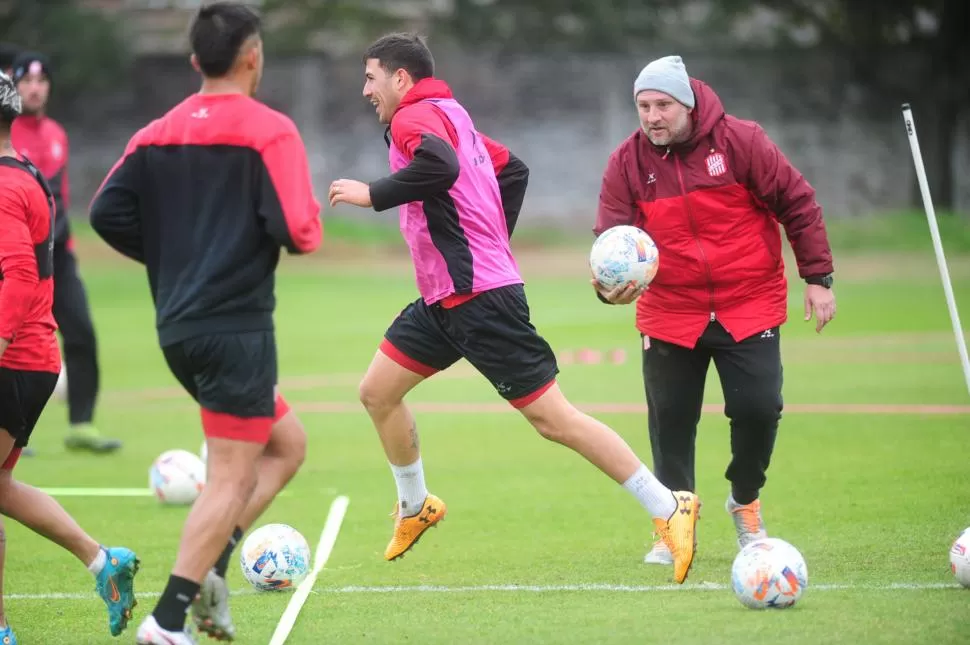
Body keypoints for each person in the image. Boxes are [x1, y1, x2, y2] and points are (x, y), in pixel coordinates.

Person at [328, 32, 699, 584]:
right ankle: (415, 505)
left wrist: (373, 194)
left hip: (479, 301)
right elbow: (512, 169)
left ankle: (669, 506)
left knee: (554, 421)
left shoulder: (413, 120)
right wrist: (491, 243)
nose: (366, 89)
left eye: (370, 77)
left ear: (400, 79)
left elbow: (442, 169)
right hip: (446, 298)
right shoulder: (451, 113)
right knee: (377, 393)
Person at [89, 3, 322, 643]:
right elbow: (300, 232)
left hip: (179, 331)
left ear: (196, 61)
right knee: (231, 477)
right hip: (236, 332)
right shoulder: (270, 131)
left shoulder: (153, 133)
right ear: (254, 57)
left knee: (288, 444)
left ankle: (213, 570)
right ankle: (167, 624)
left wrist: (177, 259)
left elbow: (106, 212)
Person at [593, 55, 836, 565]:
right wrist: (606, 286)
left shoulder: (741, 141)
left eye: (662, 105)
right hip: (669, 310)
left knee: (759, 409)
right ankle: (672, 522)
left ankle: (744, 501)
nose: (652, 116)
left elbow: (798, 203)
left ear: (687, 104)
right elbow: (611, 239)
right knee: (671, 422)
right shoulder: (627, 163)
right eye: (643, 106)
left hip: (748, 302)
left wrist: (817, 278)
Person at [0, 69, 139, 644]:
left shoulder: (5, 185)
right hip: (29, 357)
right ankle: (102, 562)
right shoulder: (23, 172)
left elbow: (17, 278)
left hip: (15, 358)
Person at [9, 51, 122, 454]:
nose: (35, 88)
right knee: (13, 341)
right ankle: (13, 431)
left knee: (82, 333)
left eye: (42, 81)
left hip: (59, 253)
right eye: (26, 81)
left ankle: (81, 424)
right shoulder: (7, 135)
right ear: (14, 86)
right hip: (15, 257)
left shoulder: (57, 134)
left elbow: (57, 198)